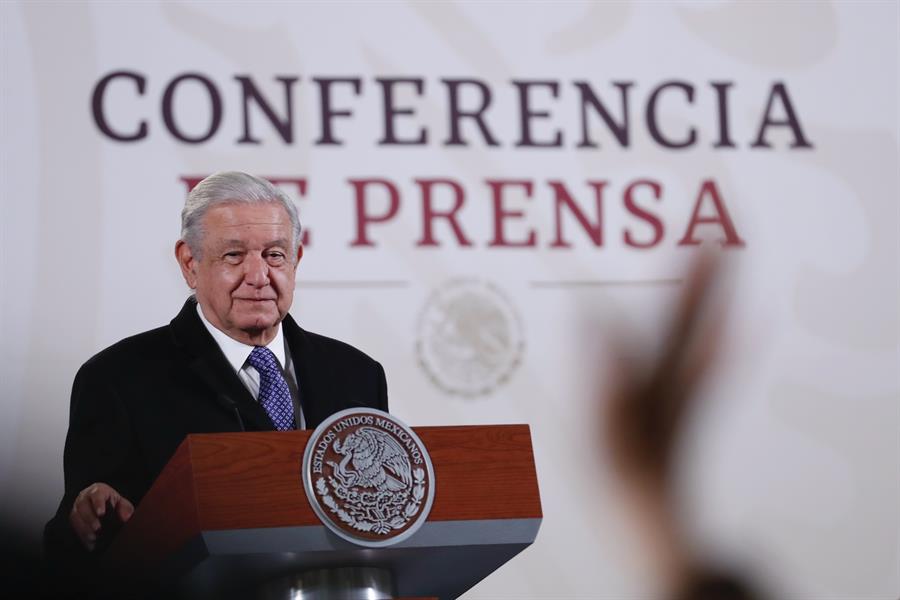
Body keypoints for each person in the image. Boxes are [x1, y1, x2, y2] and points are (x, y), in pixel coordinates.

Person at [43, 172, 388, 589]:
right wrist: (87, 517)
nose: (258, 276)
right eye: (234, 256)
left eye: (275, 255)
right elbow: (72, 549)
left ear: (296, 258)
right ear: (190, 264)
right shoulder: (118, 379)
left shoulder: (357, 375)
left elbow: (379, 518)